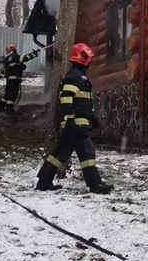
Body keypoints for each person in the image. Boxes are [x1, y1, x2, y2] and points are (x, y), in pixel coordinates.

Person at [36, 43, 112, 195]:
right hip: (76, 124)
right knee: (87, 153)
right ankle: (95, 184)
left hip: (78, 123)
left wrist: (92, 117)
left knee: (60, 153)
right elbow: (66, 98)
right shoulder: (74, 77)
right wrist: (70, 119)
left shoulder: (78, 77)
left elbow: (82, 101)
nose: (89, 61)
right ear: (82, 57)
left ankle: (44, 181)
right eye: (88, 57)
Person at [0, 44, 41, 114]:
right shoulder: (15, 56)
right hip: (14, 79)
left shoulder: (7, 58)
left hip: (9, 79)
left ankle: (1, 106)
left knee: (8, 93)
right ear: (13, 49)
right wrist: (33, 54)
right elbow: (24, 58)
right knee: (13, 94)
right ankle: (9, 109)